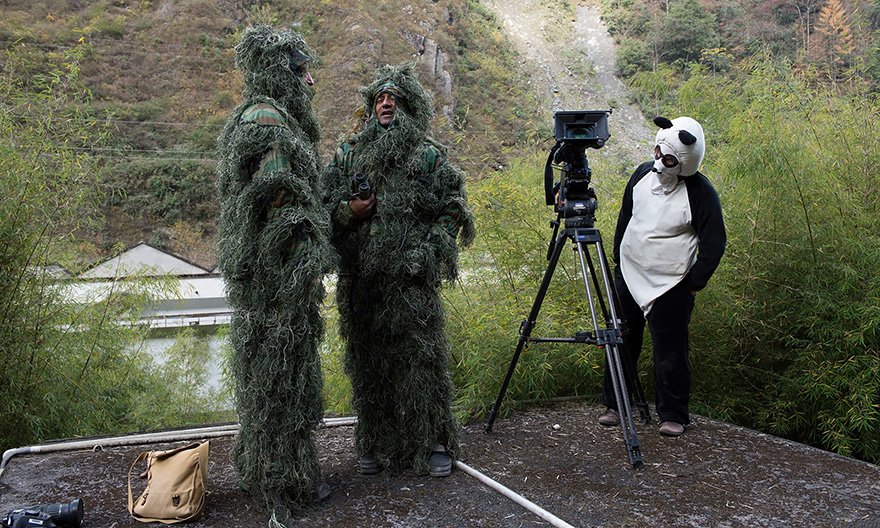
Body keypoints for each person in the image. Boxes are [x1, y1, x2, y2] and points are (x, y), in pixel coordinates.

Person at [323, 62, 475, 477]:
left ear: (409, 107)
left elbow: (453, 208)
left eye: (394, 98)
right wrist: (349, 211)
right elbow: (324, 210)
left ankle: (432, 442)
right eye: (379, 98)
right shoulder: (349, 152)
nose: (386, 103)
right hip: (362, 283)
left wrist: (428, 251)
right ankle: (377, 440)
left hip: (411, 283)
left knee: (420, 362)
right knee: (368, 363)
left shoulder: (427, 155)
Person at [214, 25, 335, 521]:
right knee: (282, 380)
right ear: (282, 72)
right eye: (302, 71)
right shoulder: (269, 119)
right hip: (277, 282)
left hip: (261, 280)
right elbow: (278, 199)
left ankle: (265, 473)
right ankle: (285, 483)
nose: (310, 82)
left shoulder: (255, 116)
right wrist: (307, 262)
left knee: (264, 379)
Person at [599, 116, 726, 437]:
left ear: (686, 161)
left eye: (668, 159)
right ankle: (616, 404)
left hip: (671, 283)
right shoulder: (642, 173)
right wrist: (618, 260)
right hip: (629, 273)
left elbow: (714, 242)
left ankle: (673, 414)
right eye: (658, 153)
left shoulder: (701, 193)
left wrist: (693, 282)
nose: (660, 162)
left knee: (670, 349)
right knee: (621, 341)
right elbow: (626, 217)